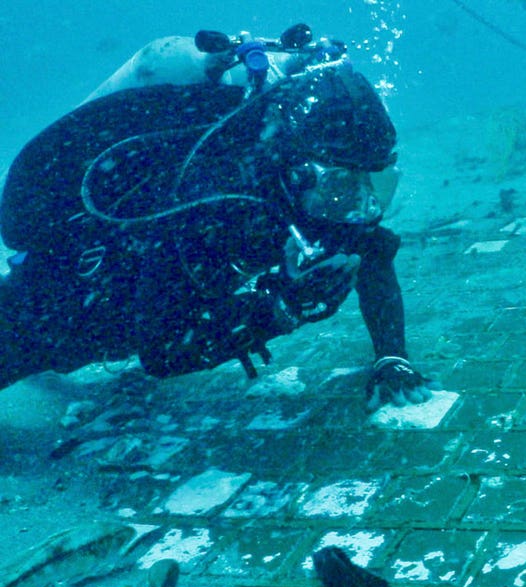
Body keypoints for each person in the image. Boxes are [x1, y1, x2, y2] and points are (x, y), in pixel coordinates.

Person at [0, 26, 435, 410]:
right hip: (70, 300)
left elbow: (373, 253)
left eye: (374, 184)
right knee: (29, 348)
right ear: (299, 170)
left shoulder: (315, 185)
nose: (359, 205)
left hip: (141, 299)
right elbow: (162, 352)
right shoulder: (211, 199)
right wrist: (281, 310)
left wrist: (391, 358)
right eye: (343, 185)